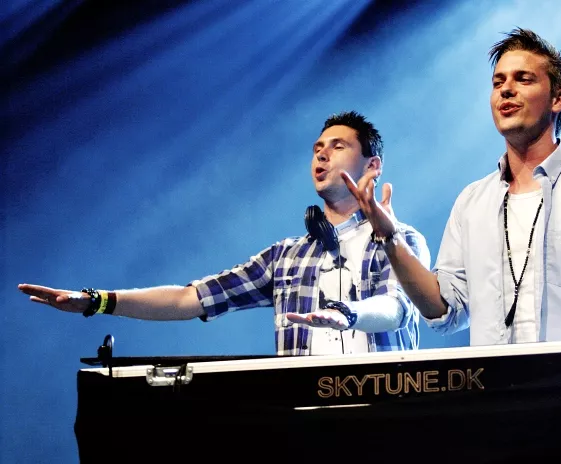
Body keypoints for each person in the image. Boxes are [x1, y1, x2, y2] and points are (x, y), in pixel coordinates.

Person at [342, 28, 561, 345]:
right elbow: (444, 311)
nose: (506, 90)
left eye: (523, 79)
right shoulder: (472, 202)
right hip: (497, 382)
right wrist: (390, 237)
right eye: (498, 82)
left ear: (558, 99)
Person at [18, 111, 431, 355]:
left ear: (373, 166)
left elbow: (396, 308)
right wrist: (97, 301)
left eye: (338, 146)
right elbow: (187, 299)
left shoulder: (401, 241)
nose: (321, 153)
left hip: (383, 422)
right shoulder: (285, 257)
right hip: (306, 428)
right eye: (317, 148)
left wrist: (347, 314)